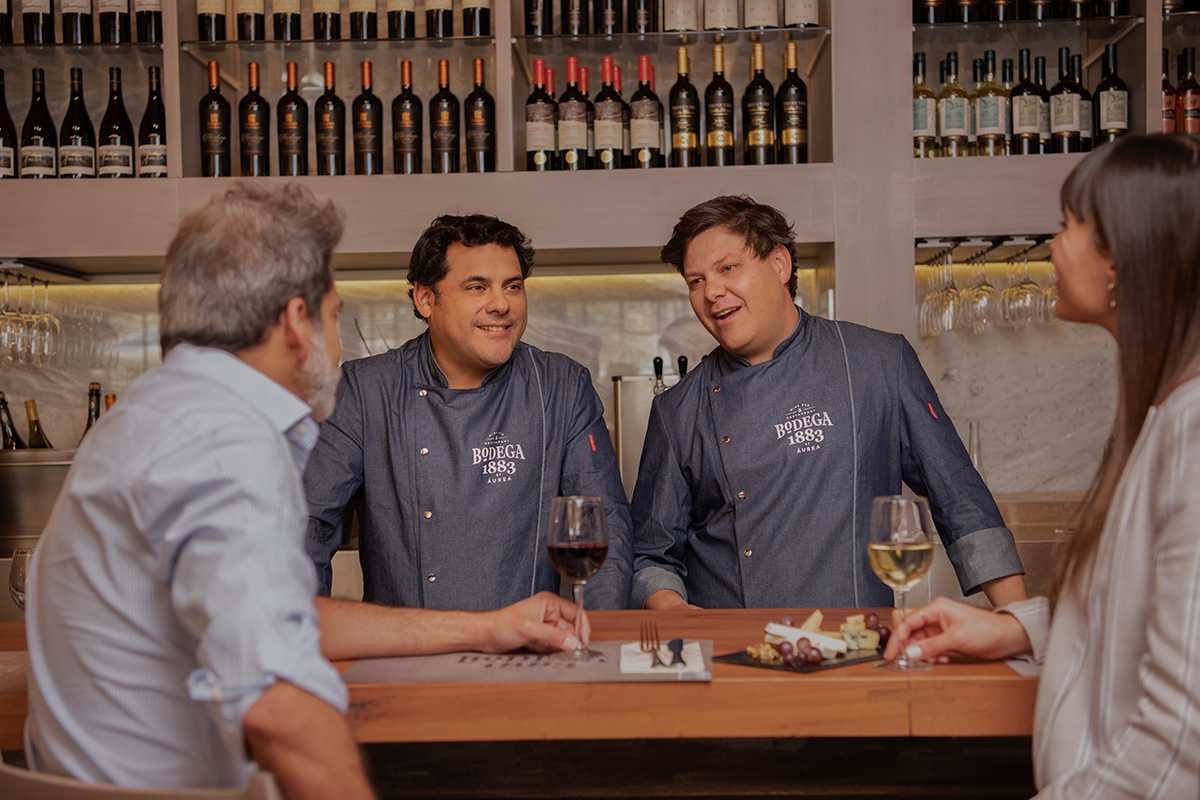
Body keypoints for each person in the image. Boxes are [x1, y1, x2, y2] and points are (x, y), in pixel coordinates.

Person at [23, 184, 589, 799]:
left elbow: (285, 619)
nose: (338, 344)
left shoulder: (158, 410)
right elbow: (280, 712)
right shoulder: (225, 441)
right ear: (298, 322)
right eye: (334, 314)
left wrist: (485, 629)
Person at [888, 135, 1200, 797]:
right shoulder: (1162, 416)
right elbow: (1134, 615)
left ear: (1122, 256)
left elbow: (1181, 745)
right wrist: (1013, 628)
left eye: (1069, 224)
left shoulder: (1193, 432)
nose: (1053, 245)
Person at [631, 195, 1027, 610]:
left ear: (779, 264)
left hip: (856, 642)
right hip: (734, 646)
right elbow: (651, 556)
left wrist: (1019, 621)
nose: (711, 292)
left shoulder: (878, 363)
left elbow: (960, 501)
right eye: (695, 281)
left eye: (727, 268)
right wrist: (676, 612)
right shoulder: (677, 410)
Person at [304, 213, 633, 611]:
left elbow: (604, 526)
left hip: (528, 646)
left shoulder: (561, 387)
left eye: (513, 286)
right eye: (477, 287)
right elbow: (308, 527)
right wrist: (301, 637)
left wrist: (598, 637)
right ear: (426, 299)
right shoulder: (364, 391)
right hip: (405, 646)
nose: (501, 304)